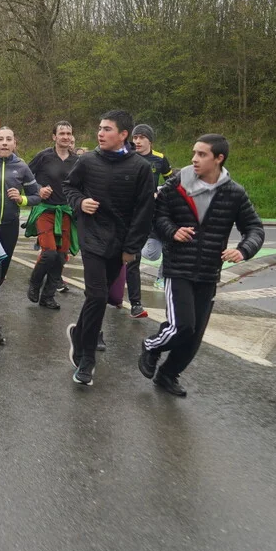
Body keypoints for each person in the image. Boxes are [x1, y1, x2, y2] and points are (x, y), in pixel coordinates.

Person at [141, 135, 264, 396]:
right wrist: (172, 231)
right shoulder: (177, 185)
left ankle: (168, 375)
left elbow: (254, 228)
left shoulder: (234, 192)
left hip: (209, 272)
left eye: (202, 154)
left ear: (219, 158)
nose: (194, 159)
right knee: (182, 326)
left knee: (194, 335)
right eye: (194, 153)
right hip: (178, 268)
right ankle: (151, 346)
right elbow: (157, 215)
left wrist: (243, 250)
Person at [63, 110, 154, 386]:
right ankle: (87, 359)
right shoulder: (87, 161)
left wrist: (132, 248)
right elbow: (70, 188)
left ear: (123, 134)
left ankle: (79, 333)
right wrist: (80, 203)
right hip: (91, 237)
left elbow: (144, 212)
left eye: (107, 129)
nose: (100, 133)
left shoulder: (140, 168)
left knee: (97, 298)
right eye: (100, 128)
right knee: (98, 294)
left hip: (119, 244)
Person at [0, 127, 39, 346]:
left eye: (9, 139)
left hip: (10, 227)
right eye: (1, 139)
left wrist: (21, 199)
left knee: (1, 274)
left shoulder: (22, 167)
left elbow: (36, 196)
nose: (5, 143)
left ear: (15, 143)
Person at [26, 121, 78, 308]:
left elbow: (81, 184)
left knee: (61, 256)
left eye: (68, 133)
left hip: (65, 212)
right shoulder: (43, 156)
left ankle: (48, 296)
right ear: (54, 136)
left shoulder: (76, 160)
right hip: (45, 210)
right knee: (49, 253)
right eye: (62, 133)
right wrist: (38, 189)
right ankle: (34, 283)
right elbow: (27, 177)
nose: (65, 137)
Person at [125, 123, 174, 318]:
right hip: (128, 213)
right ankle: (134, 303)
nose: (137, 141)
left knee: (139, 255)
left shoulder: (160, 159)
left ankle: (136, 304)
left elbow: (172, 181)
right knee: (132, 259)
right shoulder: (127, 156)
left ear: (150, 141)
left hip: (150, 213)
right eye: (135, 138)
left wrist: (159, 193)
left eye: (141, 138)